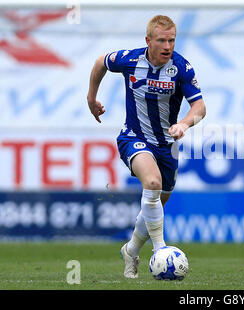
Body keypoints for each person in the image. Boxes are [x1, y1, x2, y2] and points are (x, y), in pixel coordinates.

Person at [86, 15, 206, 278]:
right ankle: (160, 250)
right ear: (148, 41)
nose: (167, 46)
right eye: (162, 40)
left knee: (156, 203)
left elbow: (199, 107)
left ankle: (130, 250)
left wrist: (184, 124)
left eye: (172, 40)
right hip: (134, 137)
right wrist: (91, 97)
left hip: (167, 145)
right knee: (151, 183)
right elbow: (100, 62)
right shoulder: (130, 60)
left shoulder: (181, 67)